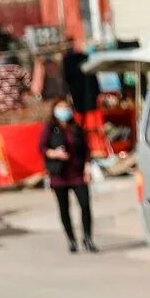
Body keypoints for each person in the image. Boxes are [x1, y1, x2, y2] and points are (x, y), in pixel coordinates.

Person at [39, 98, 94, 254]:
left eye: (66, 108)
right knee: (64, 209)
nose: (64, 111)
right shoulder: (50, 128)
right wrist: (54, 153)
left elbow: (87, 150)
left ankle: (88, 238)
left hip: (77, 173)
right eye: (60, 108)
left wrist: (88, 168)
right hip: (59, 174)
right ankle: (71, 240)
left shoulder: (77, 128)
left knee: (85, 205)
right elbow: (42, 148)